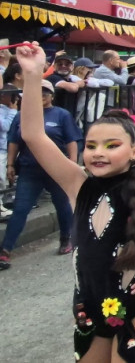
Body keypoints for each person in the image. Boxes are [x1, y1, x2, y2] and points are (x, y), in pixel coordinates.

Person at [11, 42, 135, 361]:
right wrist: (34, 74)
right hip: (89, 302)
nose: (98, 152)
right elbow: (34, 135)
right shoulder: (78, 184)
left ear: (134, 152)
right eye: (91, 145)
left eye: (111, 144)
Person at [2, 78, 83, 269]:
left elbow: (72, 141)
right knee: (20, 209)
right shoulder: (22, 115)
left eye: (44, 92)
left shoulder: (61, 114)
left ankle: (66, 238)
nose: (40, 96)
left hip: (56, 169)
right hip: (30, 169)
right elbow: (14, 141)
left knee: (63, 205)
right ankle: (5, 250)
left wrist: (71, 165)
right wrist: (10, 165)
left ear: (51, 95)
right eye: (36, 93)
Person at [0, 84, 18, 221]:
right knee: (0, 179)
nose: (15, 99)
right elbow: (6, 126)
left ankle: (5, 203)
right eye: (13, 96)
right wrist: (13, 111)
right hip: (1, 148)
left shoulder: (12, 110)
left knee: (6, 179)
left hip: (8, 147)